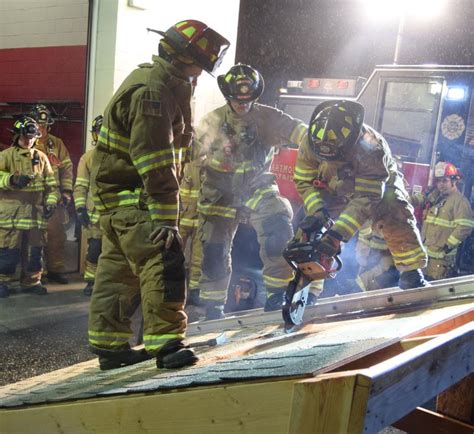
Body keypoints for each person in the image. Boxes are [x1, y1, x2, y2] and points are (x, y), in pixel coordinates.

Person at [88, 19, 229, 370]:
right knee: (163, 260)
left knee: (118, 271)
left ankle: (111, 346)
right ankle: (165, 344)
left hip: (119, 199)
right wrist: (167, 217)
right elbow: (155, 160)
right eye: (199, 63)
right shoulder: (155, 91)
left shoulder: (163, 83)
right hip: (137, 197)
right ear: (183, 58)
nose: (200, 72)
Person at [187, 63, 308, 320]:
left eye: (248, 100)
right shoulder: (213, 121)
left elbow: (302, 133)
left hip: (256, 186)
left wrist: (323, 141)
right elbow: (189, 151)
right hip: (219, 193)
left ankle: (277, 294)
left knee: (277, 225)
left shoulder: (268, 118)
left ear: (255, 96)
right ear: (228, 97)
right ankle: (212, 306)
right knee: (213, 249)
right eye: (236, 100)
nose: (242, 105)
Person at [294, 99, 429, 291]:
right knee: (308, 229)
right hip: (336, 187)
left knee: (395, 210)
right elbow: (304, 181)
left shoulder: (372, 148)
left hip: (379, 189)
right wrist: (318, 212)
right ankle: (309, 289)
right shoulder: (311, 141)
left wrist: (336, 234)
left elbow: (367, 197)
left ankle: (411, 274)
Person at [0, 116, 58, 298]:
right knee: (8, 252)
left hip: (35, 216)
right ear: (17, 136)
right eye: (26, 137)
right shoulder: (5, 156)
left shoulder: (41, 158)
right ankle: (2, 282)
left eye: (33, 137)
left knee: (34, 252)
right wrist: (12, 179)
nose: (29, 140)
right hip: (12, 217)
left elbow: (51, 185)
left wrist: (51, 203)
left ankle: (32, 282)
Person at [31, 104, 74, 284]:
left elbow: (66, 168)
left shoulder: (56, 144)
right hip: (34, 198)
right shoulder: (26, 141)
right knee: (34, 239)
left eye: (44, 125)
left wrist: (66, 193)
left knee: (56, 236)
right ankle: (34, 276)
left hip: (54, 198)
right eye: (38, 125)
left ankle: (56, 269)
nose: (41, 129)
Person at [412, 162, 473, 280]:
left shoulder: (459, 201)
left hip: (441, 260)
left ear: (454, 181)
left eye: (444, 181)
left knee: (435, 293)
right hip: (426, 256)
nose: (441, 185)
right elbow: (416, 201)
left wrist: (447, 246)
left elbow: (465, 226)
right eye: (438, 181)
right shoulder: (435, 198)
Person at [73, 115, 103, 296]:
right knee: (94, 251)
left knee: (115, 254)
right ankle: (91, 282)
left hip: (117, 216)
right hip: (96, 217)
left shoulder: (124, 157)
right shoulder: (88, 158)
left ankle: (108, 284)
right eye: (100, 132)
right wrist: (80, 208)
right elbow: (81, 186)